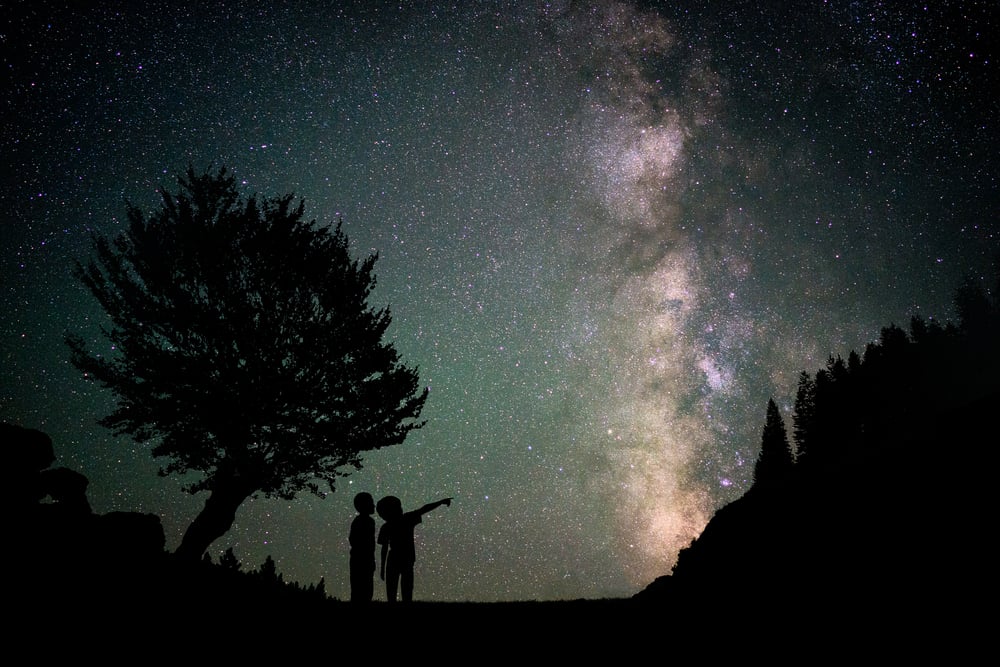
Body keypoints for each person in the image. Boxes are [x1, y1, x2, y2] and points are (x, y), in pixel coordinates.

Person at [377, 495, 452, 603]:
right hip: (406, 558)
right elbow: (424, 509)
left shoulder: (386, 526)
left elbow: (384, 548)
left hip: (394, 559)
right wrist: (440, 502)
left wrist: (383, 567)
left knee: (392, 589)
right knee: (406, 588)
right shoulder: (407, 518)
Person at [349, 492, 376, 604]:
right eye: (371, 503)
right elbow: (355, 540)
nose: (374, 506)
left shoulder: (363, 521)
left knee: (360, 587)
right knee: (364, 586)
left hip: (360, 558)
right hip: (362, 558)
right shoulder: (366, 522)